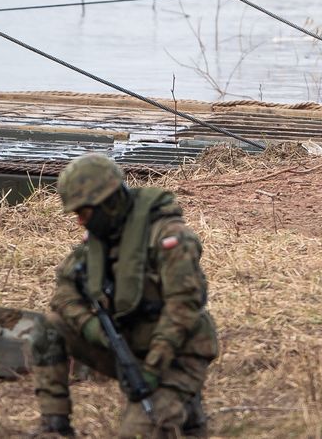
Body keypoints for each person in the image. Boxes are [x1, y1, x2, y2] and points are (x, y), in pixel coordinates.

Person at [30, 154, 217, 438]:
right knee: (50, 326)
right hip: (126, 347)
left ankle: (184, 405)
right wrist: (91, 328)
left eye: (85, 212)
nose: (80, 221)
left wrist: (153, 370)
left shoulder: (168, 238)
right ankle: (54, 428)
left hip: (177, 355)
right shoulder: (101, 236)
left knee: (136, 432)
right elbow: (64, 292)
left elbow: (183, 308)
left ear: (109, 202)